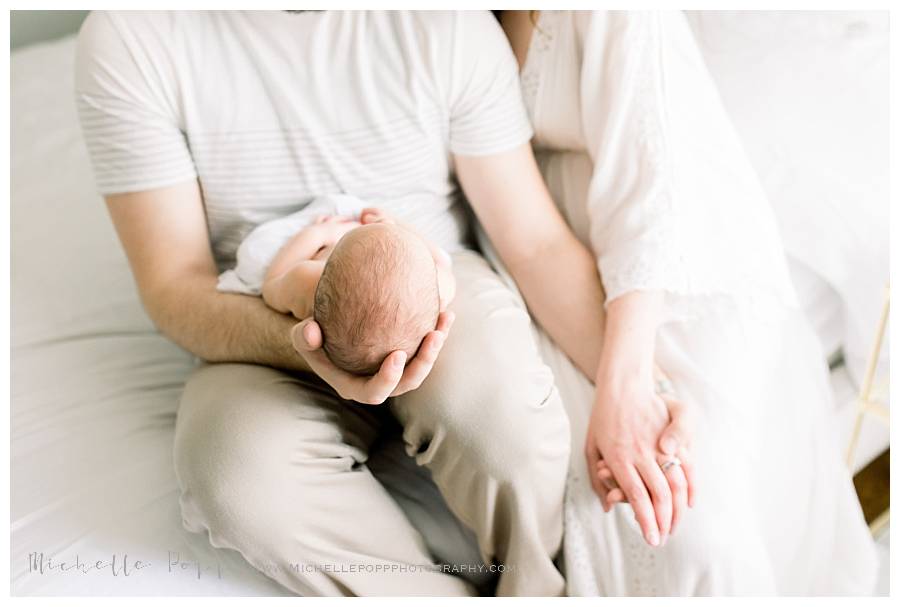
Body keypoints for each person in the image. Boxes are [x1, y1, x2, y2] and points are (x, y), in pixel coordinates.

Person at [74, 10, 644, 597]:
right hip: (256, 310)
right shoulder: (132, 34)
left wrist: (637, 389)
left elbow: (536, 242)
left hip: (431, 285)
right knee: (238, 477)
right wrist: (306, 339)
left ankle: (535, 586)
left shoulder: (445, 25)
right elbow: (175, 286)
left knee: (503, 425)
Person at [495, 10, 878, 595]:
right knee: (616, 500)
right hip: (571, 276)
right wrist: (625, 386)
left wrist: (631, 385)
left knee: (699, 533)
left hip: (680, 267)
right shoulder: (459, 28)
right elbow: (526, 236)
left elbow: (652, 192)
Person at [219, 197, 455, 375]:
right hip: (377, 236)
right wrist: (393, 225)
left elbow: (271, 286)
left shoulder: (309, 281)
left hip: (327, 234)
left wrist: (320, 233)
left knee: (256, 253)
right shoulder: (439, 285)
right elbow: (442, 261)